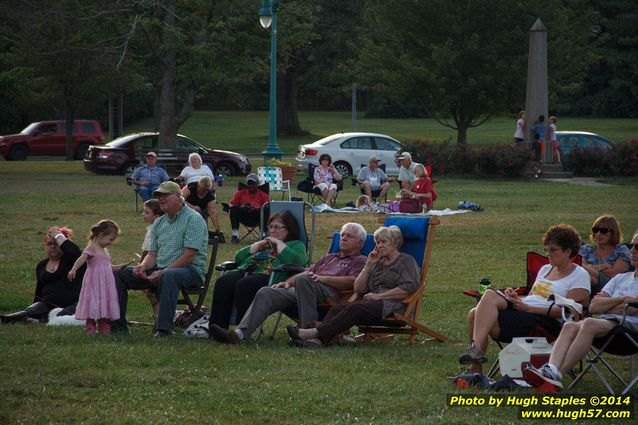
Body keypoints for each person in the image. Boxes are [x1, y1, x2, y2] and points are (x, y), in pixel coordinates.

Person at [459, 224, 590, 373]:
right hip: (524, 311)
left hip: (546, 323)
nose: (548, 254)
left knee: (476, 313)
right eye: (547, 249)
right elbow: (534, 297)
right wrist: (517, 298)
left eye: (553, 250)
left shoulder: (579, 275)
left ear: (568, 251)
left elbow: (571, 312)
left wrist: (528, 308)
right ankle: (476, 363)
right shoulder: (546, 269)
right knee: (485, 299)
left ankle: (475, 363)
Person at [208, 223, 367, 344]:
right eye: (343, 235)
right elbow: (305, 272)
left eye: (349, 236)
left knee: (305, 280)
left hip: (331, 292)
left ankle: (309, 335)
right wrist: (286, 283)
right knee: (267, 291)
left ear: (360, 243)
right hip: (306, 287)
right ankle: (239, 334)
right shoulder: (329, 257)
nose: (343, 238)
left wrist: (324, 279)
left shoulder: (360, 260)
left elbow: (353, 282)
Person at [523, 231, 638, 393]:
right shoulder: (620, 278)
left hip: (630, 333)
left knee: (589, 322)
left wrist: (610, 304)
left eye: (637, 247)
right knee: (570, 325)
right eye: (632, 245)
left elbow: (632, 309)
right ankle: (551, 370)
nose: (632, 250)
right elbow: (594, 306)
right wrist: (622, 299)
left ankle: (554, 376)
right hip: (607, 326)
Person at [288, 225, 420, 348]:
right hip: (373, 303)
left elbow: (409, 288)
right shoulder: (378, 263)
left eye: (383, 242)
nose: (379, 246)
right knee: (337, 308)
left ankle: (312, 333)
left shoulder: (405, 261)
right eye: (377, 243)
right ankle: (317, 341)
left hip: (395, 305)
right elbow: (359, 289)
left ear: (395, 242)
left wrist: (379, 296)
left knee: (355, 308)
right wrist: (368, 265)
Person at [111, 181, 208, 337]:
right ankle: (118, 327)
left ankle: (164, 329)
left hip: (190, 271)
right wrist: (142, 266)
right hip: (161, 269)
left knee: (169, 276)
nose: (160, 199)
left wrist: (164, 271)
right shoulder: (159, 223)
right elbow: (152, 255)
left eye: (164, 195)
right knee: (119, 274)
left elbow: (189, 256)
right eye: (158, 196)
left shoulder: (193, 219)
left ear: (178, 196)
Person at [208, 210, 308, 331]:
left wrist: (279, 243)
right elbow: (238, 258)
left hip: (269, 276)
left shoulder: (296, 244)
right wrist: (256, 245)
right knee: (223, 282)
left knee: (245, 285)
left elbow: (298, 262)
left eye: (277, 227)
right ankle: (217, 327)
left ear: (289, 228)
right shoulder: (265, 245)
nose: (272, 230)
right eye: (270, 227)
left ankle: (242, 330)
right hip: (245, 271)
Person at [1, 226, 85, 323]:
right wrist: (34, 307)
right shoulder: (41, 265)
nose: (53, 246)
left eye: (56, 243)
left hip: (73, 304)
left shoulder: (73, 260)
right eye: (49, 244)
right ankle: (4, 319)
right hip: (46, 304)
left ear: (62, 245)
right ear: (45, 246)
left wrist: (58, 235)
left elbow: (74, 251)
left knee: (62, 313)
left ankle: (41, 321)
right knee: (26, 312)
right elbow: (39, 291)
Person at [68, 220, 121, 336]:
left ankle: (104, 328)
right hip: (94, 283)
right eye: (110, 239)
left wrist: (118, 267)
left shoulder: (104, 250)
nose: (111, 243)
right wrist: (73, 269)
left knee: (104, 304)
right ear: (101, 235)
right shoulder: (91, 248)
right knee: (94, 301)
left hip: (105, 284)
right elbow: (81, 258)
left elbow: (106, 266)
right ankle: (90, 328)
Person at [579, 215, 630, 294]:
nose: (598, 233)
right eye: (595, 230)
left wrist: (589, 267)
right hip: (588, 282)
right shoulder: (587, 249)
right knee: (586, 276)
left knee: (586, 276)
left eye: (603, 231)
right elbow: (579, 267)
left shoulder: (621, 250)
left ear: (613, 232)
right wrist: (601, 267)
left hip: (612, 286)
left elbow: (615, 274)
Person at [228, 173, 269, 244]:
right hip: (243, 215)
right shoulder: (240, 193)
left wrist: (256, 208)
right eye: (249, 183)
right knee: (234, 208)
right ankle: (235, 235)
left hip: (257, 216)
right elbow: (230, 204)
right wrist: (241, 207)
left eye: (253, 183)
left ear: (257, 184)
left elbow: (267, 206)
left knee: (265, 209)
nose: (251, 185)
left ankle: (263, 235)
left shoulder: (263, 194)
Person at [141, 199, 164, 318]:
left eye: (146, 212)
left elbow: (147, 250)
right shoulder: (153, 227)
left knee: (148, 287)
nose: (143, 215)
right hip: (154, 263)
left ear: (156, 216)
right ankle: (156, 311)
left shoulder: (153, 229)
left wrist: (141, 264)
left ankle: (157, 311)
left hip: (154, 265)